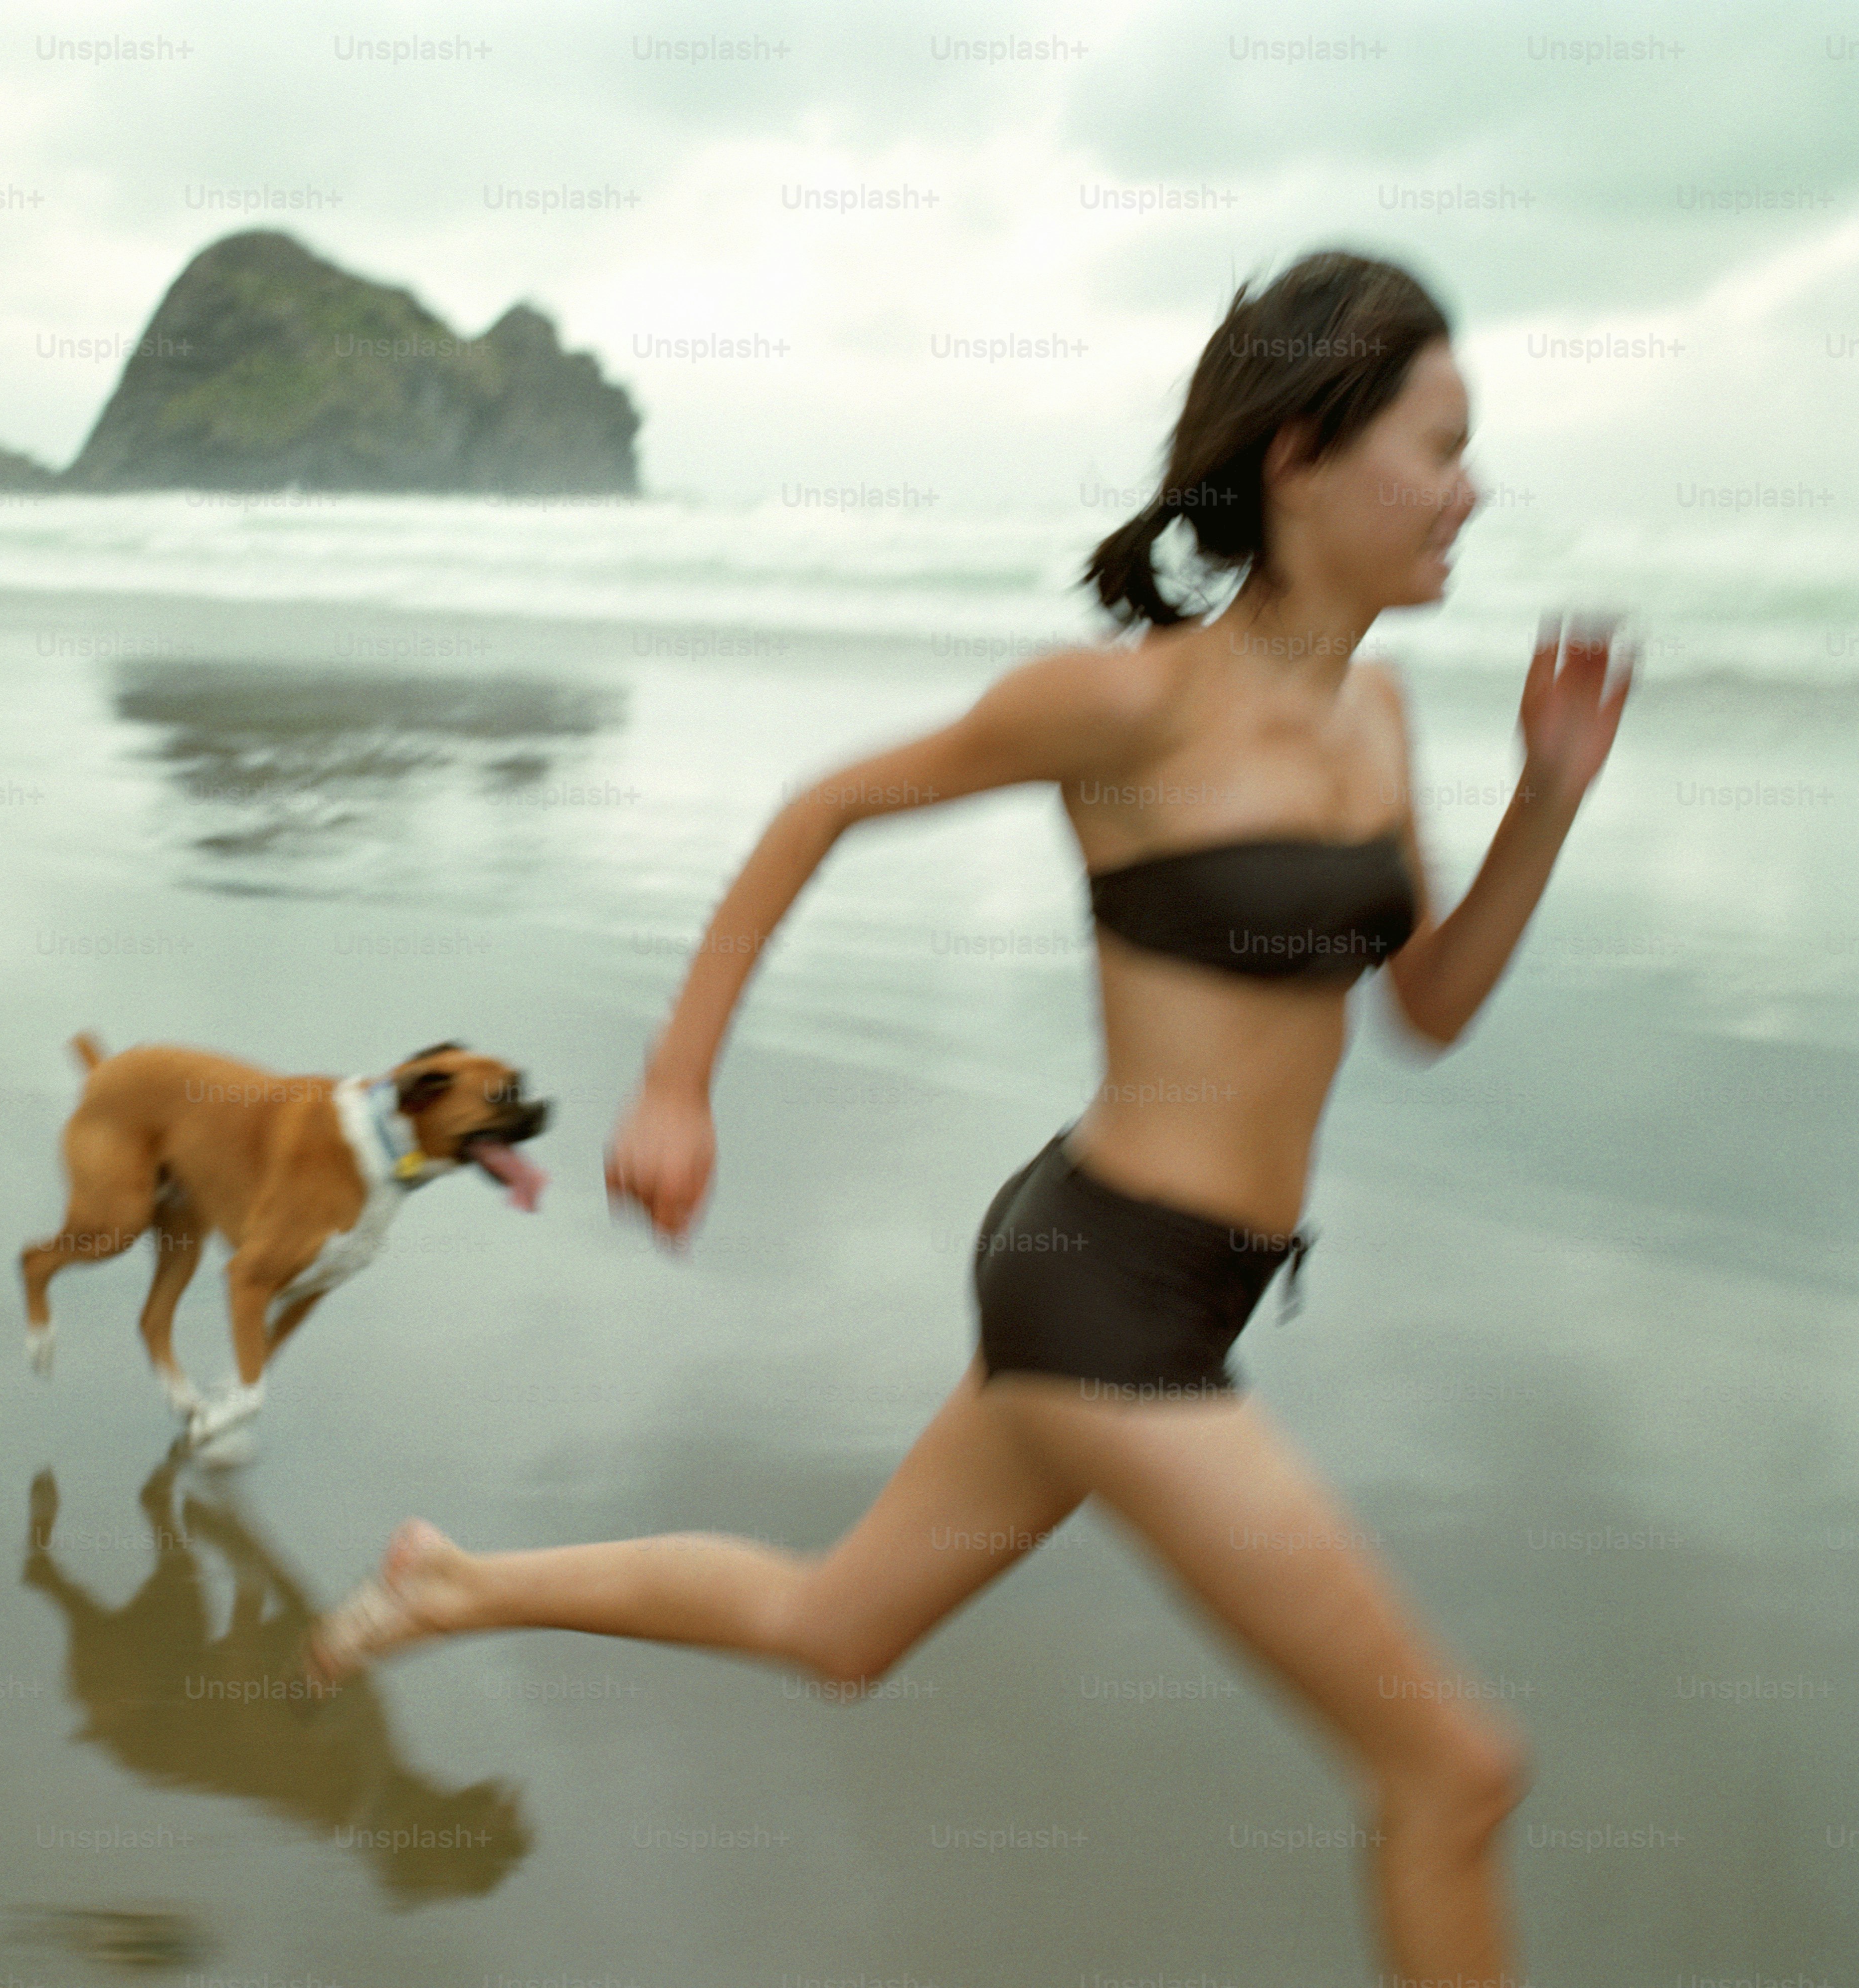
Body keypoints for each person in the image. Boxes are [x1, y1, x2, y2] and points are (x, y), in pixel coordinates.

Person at [308, 248, 1632, 1978]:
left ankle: (452, 1586)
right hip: (1106, 1301)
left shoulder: (1380, 718)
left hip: (1158, 1270)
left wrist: (1546, 797)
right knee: (1456, 1774)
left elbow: (1426, 1011)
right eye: (1439, 447)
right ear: (1303, 453)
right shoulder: (1125, 702)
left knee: (835, 1622)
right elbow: (819, 808)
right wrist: (678, 1086)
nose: (1472, 493)